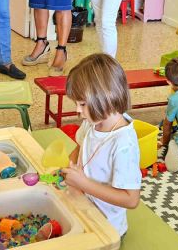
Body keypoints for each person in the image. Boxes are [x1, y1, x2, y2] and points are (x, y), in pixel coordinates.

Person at [62, 53, 141, 237]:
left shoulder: (123, 143)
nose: (77, 110)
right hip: (83, 207)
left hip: (106, 228)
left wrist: (83, 183)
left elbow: (131, 199)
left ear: (105, 98)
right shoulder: (93, 120)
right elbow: (80, 147)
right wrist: (69, 168)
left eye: (82, 104)